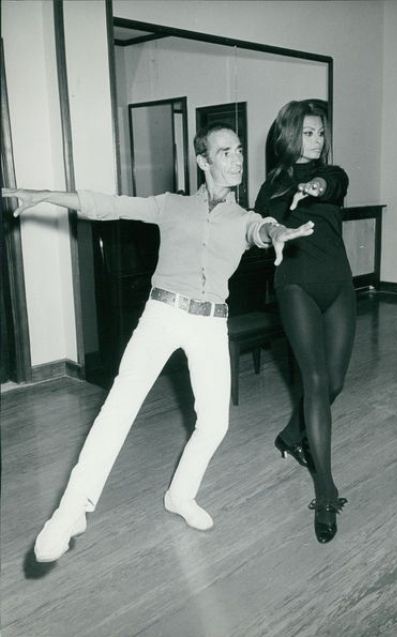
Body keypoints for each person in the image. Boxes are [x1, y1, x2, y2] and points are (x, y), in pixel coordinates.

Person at [3, 123, 314, 562]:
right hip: (162, 314)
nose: (237, 159)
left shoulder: (243, 218)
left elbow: (262, 229)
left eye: (239, 150)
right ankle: (71, 511)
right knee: (118, 407)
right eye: (225, 152)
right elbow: (108, 205)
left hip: (210, 322)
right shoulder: (171, 205)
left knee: (215, 424)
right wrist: (47, 195)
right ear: (203, 161)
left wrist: (277, 233)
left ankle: (180, 495)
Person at [254, 101, 356, 543]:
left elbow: (335, 183)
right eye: (308, 133)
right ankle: (326, 492)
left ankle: (292, 435)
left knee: (335, 382)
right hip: (295, 286)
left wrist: (314, 185)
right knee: (315, 381)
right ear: (290, 135)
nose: (317, 141)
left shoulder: (332, 175)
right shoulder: (271, 187)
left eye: (320, 133)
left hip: (339, 285)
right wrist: (289, 198)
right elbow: (265, 218)